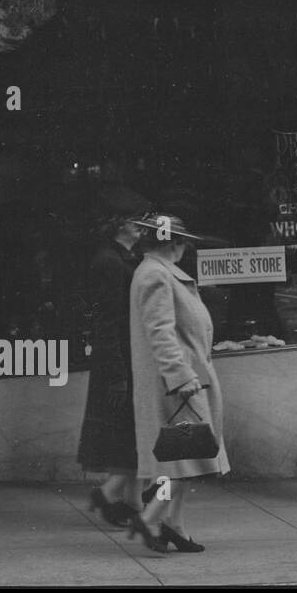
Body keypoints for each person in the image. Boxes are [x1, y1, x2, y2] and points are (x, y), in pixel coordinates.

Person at [126, 214, 230, 553]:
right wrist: (181, 376)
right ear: (173, 242)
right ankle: (154, 517)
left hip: (179, 380)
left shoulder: (155, 272)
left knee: (180, 462)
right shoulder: (156, 274)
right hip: (177, 384)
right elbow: (160, 332)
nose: (185, 247)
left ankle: (173, 523)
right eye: (183, 241)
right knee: (181, 462)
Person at [78, 185, 149, 527]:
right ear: (120, 223)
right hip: (120, 363)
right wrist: (118, 374)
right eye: (136, 220)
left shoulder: (124, 258)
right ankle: (112, 497)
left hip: (128, 361)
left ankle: (125, 501)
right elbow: (107, 323)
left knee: (132, 438)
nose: (141, 226)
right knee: (128, 438)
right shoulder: (109, 262)